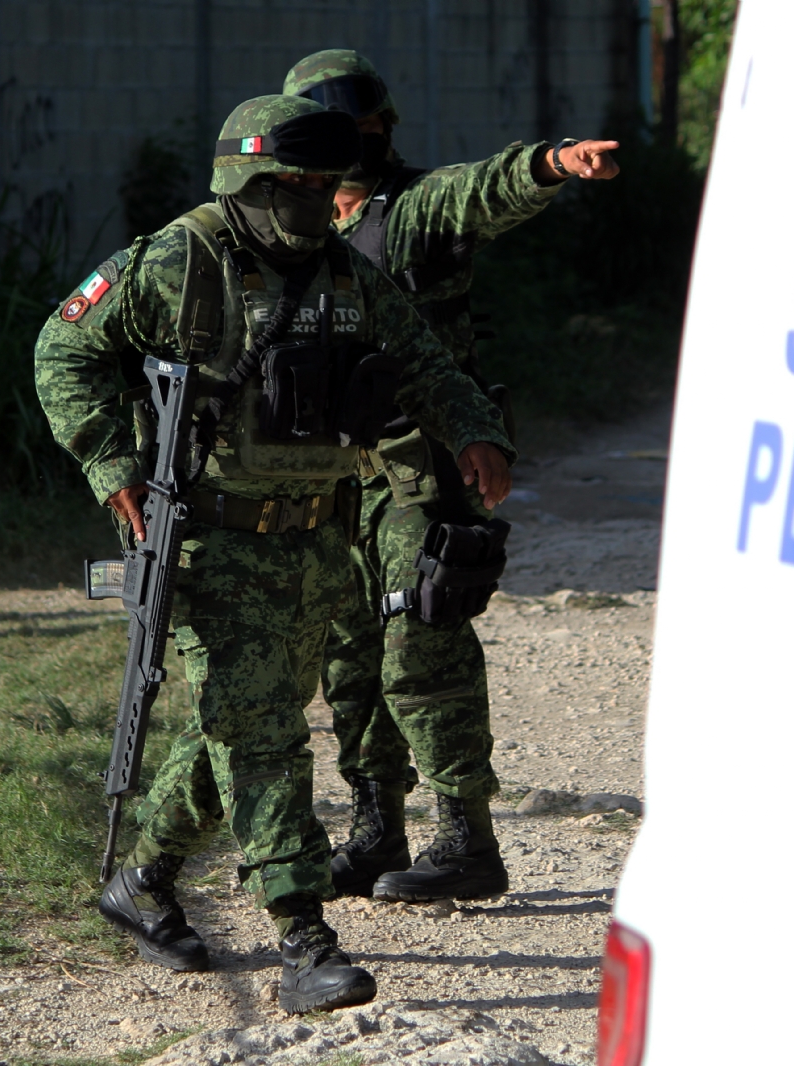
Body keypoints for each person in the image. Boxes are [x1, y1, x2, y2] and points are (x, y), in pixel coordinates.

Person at [33, 94, 515, 1013]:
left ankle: (143, 879)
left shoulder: (343, 272)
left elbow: (424, 360)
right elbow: (63, 347)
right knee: (263, 738)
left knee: (240, 720)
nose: (310, 203)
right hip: (211, 543)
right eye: (291, 185)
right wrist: (111, 464)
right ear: (247, 180)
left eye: (324, 185)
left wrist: (474, 433)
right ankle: (303, 938)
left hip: (315, 543)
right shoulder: (180, 259)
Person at [279, 50, 620, 901]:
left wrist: (551, 163)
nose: (360, 143)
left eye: (370, 128)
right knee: (350, 658)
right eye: (341, 131)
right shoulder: (286, 225)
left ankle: (467, 838)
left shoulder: (412, 212)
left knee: (419, 636)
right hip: (329, 479)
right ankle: (375, 830)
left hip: (420, 472)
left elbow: (481, 188)